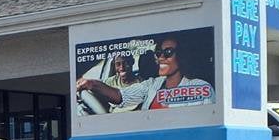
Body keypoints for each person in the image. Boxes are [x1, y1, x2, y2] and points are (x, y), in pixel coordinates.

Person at [76, 36, 215, 110]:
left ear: (181, 56)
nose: (161, 57)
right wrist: (91, 84)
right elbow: (121, 96)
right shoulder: (151, 85)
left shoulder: (200, 87)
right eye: (159, 53)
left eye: (168, 52)